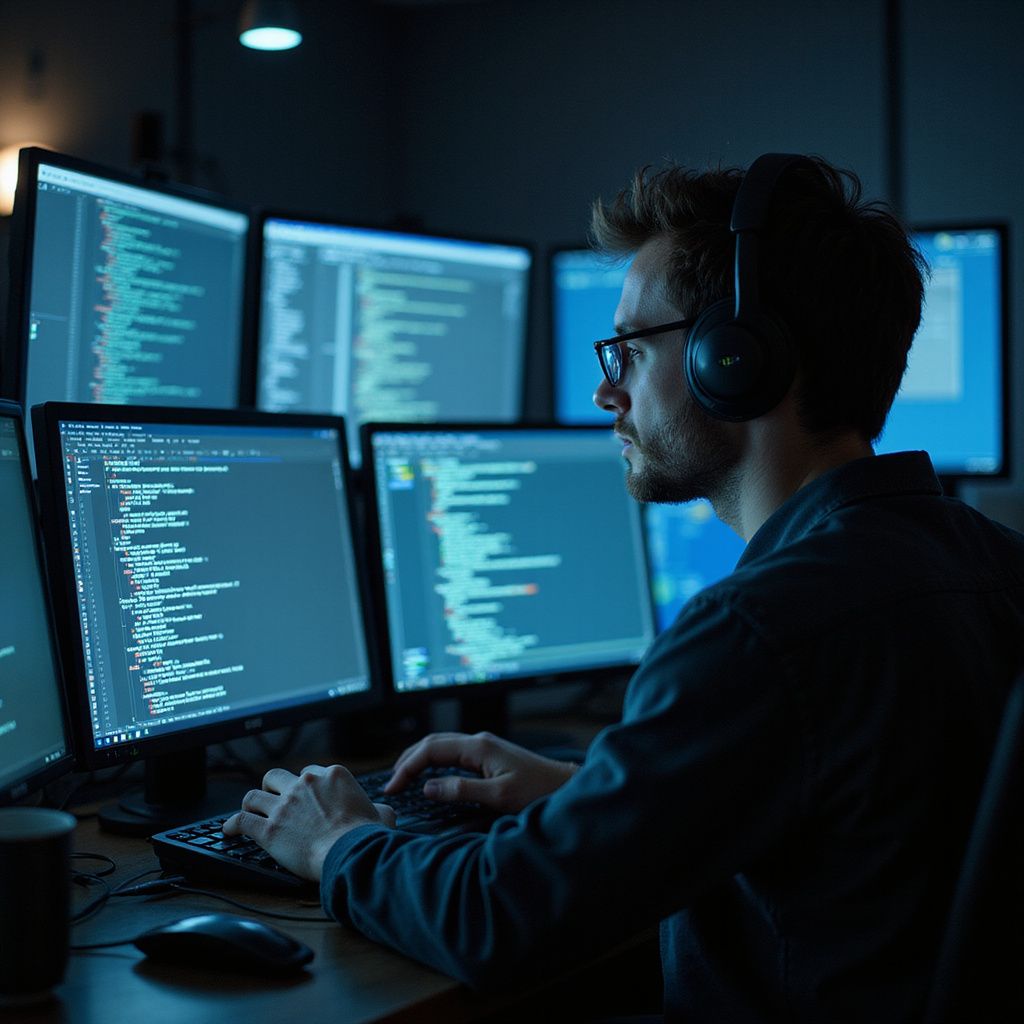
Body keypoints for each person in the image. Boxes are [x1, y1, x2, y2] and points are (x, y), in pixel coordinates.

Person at [224, 154, 1024, 1021]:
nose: (607, 390)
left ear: (739, 357)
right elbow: (851, 825)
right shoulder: (996, 562)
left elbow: (499, 919)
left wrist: (340, 841)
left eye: (630, 351)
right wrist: (590, 792)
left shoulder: (759, 630)